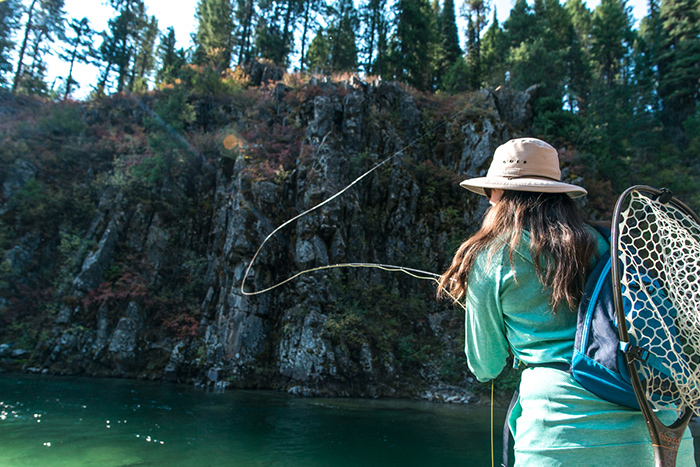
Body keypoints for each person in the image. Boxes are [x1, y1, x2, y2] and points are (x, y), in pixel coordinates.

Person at [438, 138, 695, 466]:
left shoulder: (489, 258)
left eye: (491, 192)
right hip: (664, 433)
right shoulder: (608, 244)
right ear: (558, 195)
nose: (489, 200)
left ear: (501, 196)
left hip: (561, 435)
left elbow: (485, 365)